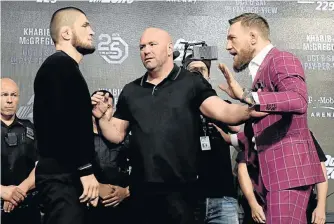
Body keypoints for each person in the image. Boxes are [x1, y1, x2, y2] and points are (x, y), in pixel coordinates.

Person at [91, 27, 265, 224]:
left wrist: (250, 106)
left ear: (169, 48)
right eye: (142, 47)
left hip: (181, 195)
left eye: (152, 44)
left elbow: (223, 112)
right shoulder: (131, 90)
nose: (146, 50)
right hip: (140, 194)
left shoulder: (191, 83)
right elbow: (117, 134)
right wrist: (103, 118)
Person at [218, 13, 325, 223]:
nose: (227, 46)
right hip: (271, 179)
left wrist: (246, 96)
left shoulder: (281, 59)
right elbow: (267, 127)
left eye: (232, 38)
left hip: (288, 175)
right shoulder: (260, 71)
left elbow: (298, 99)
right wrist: (229, 138)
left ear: (253, 37)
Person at [33, 7, 99, 224]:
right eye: (85, 25)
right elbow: (62, 125)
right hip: (61, 178)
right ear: (66, 33)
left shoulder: (64, 68)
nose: (92, 31)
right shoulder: (59, 66)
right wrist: (85, 169)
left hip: (66, 178)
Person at [184, 56, 240, 224]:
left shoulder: (221, 107)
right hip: (187, 198)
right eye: (192, 71)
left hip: (222, 196)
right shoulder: (177, 111)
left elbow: (241, 132)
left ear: (208, 76)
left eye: (201, 70)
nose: (197, 74)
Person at [1, 78, 41, 224]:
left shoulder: (30, 128)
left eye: (14, 95)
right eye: (4, 95)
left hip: (28, 207)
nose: (10, 100)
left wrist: (19, 191)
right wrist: (2, 191)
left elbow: (41, 166)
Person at [89, 90, 130, 224]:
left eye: (108, 106)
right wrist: (97, 188)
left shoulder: (125, 140)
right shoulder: (79, 139)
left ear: (114, 111)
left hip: (122, 210)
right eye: (98, 104)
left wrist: (126, 192)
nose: (102, 109)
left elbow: (143, 170)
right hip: (87, 209)